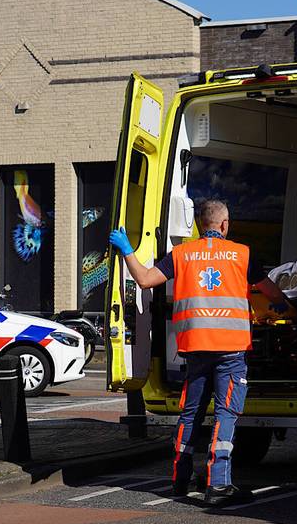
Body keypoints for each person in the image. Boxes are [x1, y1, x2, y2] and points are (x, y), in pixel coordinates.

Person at [109, 199, 287, 506]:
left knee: (190, 413)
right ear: (224, 225)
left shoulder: (182, 254)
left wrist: (127, 250)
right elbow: (269, 291)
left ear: (200, 225)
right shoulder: (242, 254)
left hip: (194, 350)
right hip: (230, 351)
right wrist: (286, 307)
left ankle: (180, 479)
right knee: (225, 414)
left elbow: (144, 280)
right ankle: (218, 484)